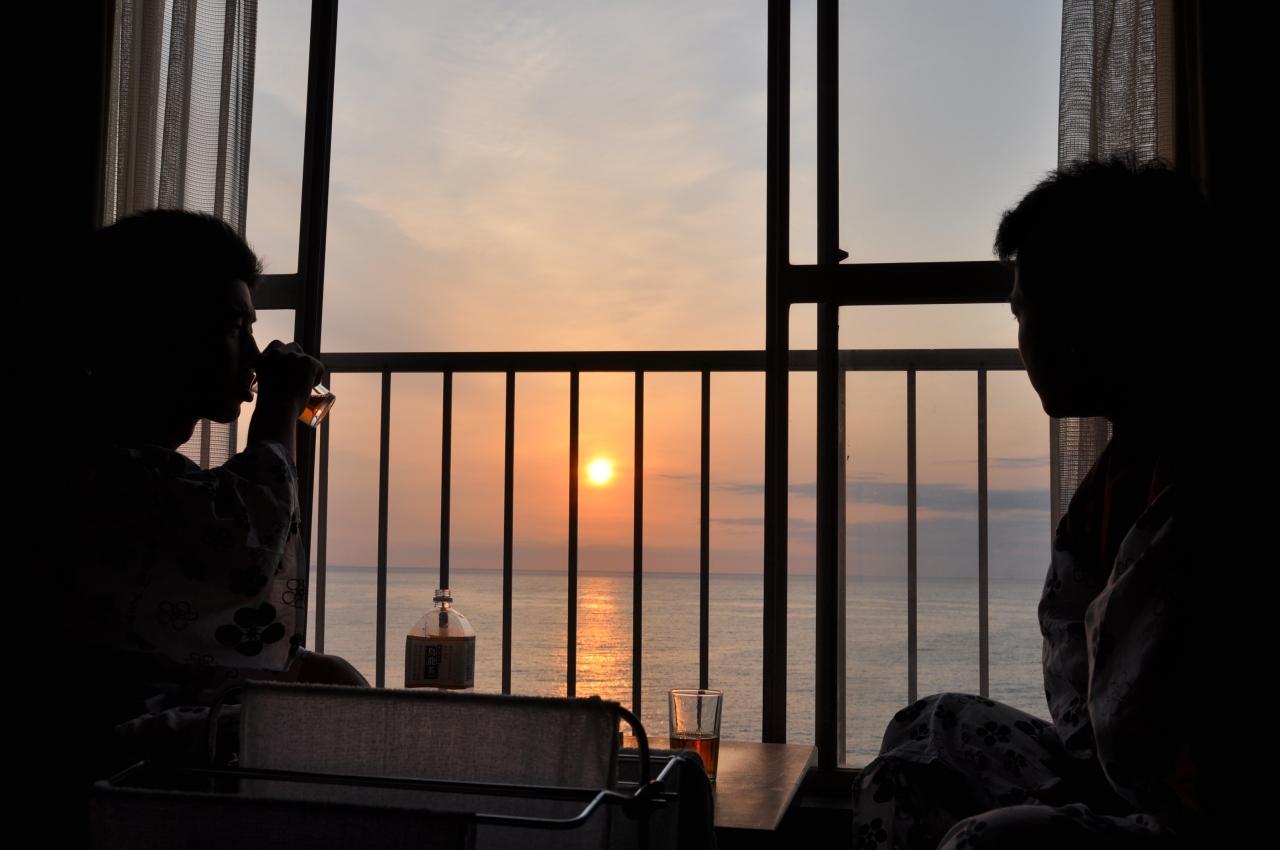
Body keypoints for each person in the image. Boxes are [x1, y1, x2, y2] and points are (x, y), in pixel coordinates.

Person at [849, 156, 1223, 849]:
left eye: (1028, 310)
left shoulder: (1202, 481)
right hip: (1113, 769)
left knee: (987, 842)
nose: (1022, 337)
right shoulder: (1125, 467)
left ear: (1097, 310)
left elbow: (1146, 716)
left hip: (1199, 814)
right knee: (925, 731)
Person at [62, 210, 365, 782]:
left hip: (135, 702)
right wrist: (279, 412)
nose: (253, 357)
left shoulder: (123, 456)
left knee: (328, 680)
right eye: (233, 328)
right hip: (101, 741)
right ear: (153, 332)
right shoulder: (92, 464)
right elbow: (240, 549)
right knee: (320, 721)